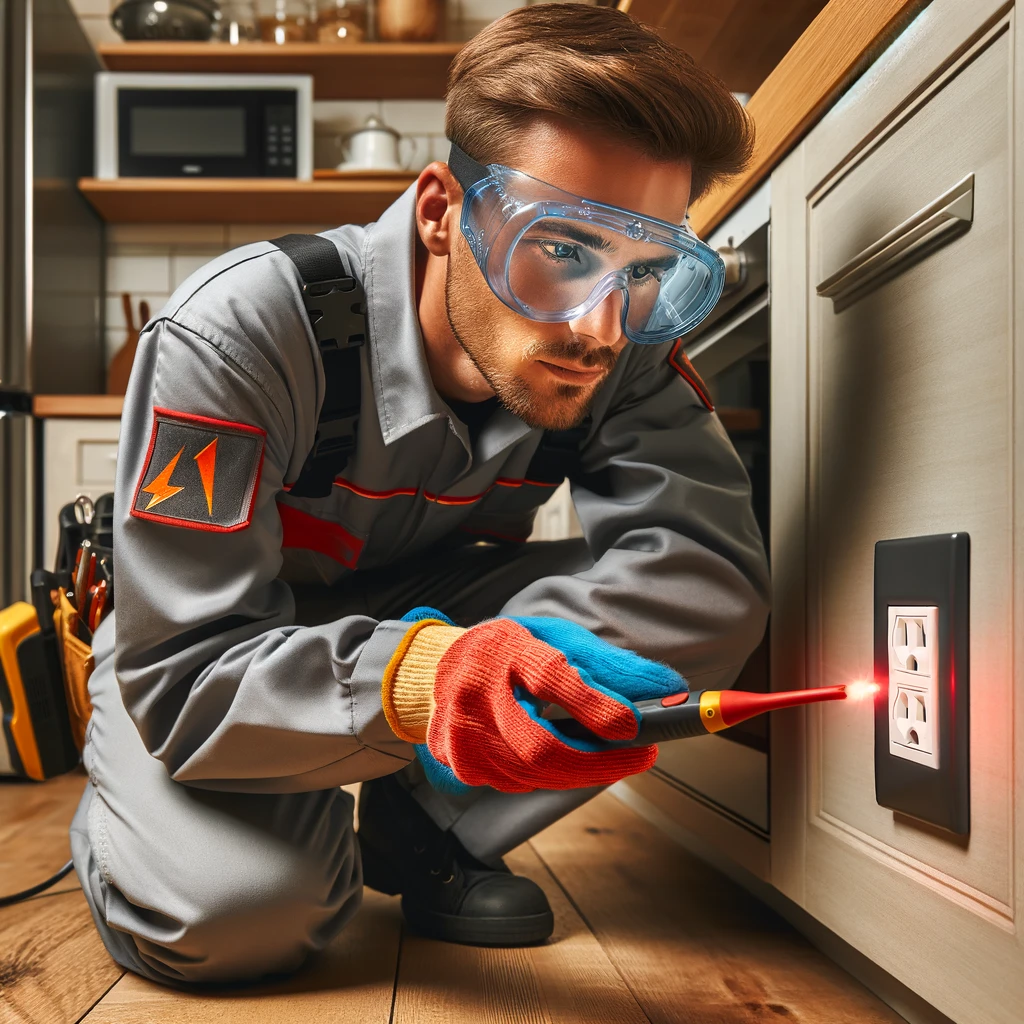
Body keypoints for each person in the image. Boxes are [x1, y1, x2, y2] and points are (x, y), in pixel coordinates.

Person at [70, 3, 770, 986]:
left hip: (423, 610)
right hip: (209, 650)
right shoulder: (240, 333)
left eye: (647, 269)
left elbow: (703, 568)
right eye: (563, 250)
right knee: (236, 916)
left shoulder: (617, 342)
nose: (601, 327)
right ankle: (128, 812)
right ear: (442, 212)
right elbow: (183, 672)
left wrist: (434, 677)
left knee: (709, 594)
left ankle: (424, 819)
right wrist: (421, 679)